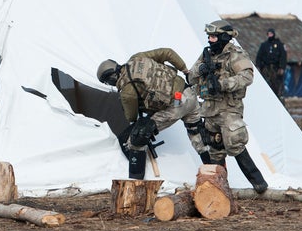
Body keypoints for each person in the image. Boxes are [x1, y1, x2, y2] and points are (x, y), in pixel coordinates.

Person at [97, 48, 210, 180]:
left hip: (177, 105)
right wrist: (184, 70)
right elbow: (168, 53)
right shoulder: (137, 57)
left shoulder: (127, 91)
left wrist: (136, 106)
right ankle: (216, 173)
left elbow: (131, 117)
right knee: (198, 136)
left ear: (111, 78)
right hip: (189, 93)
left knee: (136, 138)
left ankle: (136, 181)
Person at [187, 20, 268, 193]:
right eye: (209, 36)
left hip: (229, 108)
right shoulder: (206, 55)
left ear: (224, 37)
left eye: (214, 36)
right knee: (214, 150)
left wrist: (223, 84)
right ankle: (219, 189)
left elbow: (247, 77)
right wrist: (200, 70)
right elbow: (191, 77)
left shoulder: (235, 54)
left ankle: (259, 184)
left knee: (235, 143)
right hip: (210, 109)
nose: (210, 40)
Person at [255, 27, 287, 103]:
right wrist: (258, 66)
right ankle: (266, 101)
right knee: (266, 85)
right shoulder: (264, 45)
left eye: (271, 33)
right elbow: (259, 57)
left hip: (276, 69)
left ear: (274, 34)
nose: (270, 35)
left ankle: (280, 102)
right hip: (266, 68)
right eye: (268, 34)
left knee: (278, 86)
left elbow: (283, 57)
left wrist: (282, 67)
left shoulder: (279, 45)